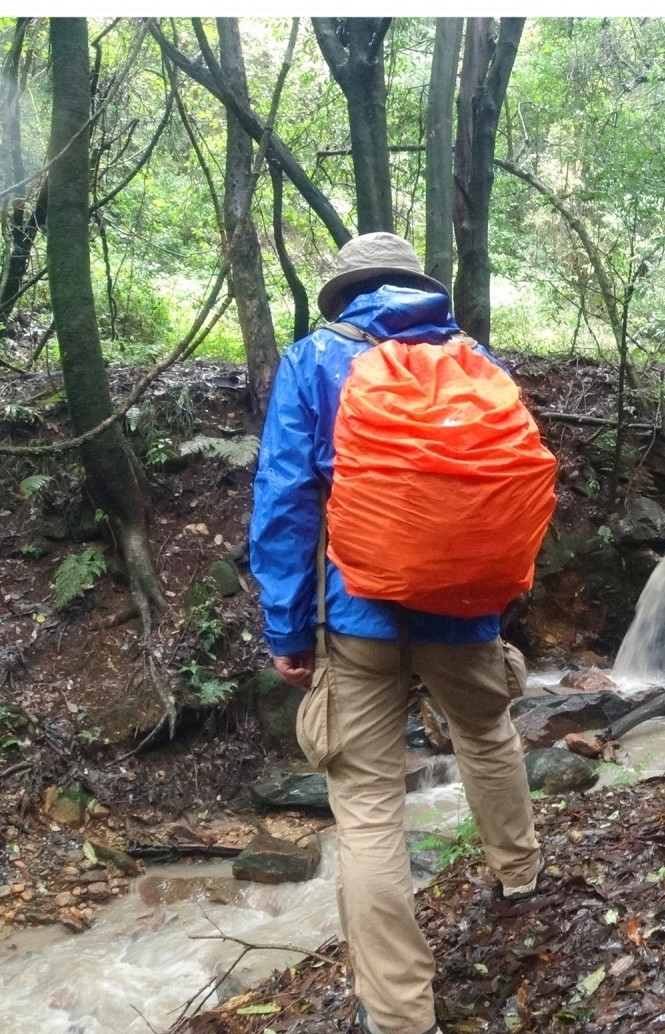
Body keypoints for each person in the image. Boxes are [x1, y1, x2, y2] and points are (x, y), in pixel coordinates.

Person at [249, 232, 540, 1034]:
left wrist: (287, 627)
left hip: (357, 612)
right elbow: (504, 488)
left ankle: (400, 1014)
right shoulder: (474, 357)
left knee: (370, 803)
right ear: (417, 287)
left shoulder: (313, 359)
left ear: (345, 293)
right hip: (463, 608)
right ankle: (520, 875)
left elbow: (284, 502)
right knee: (486, 733)